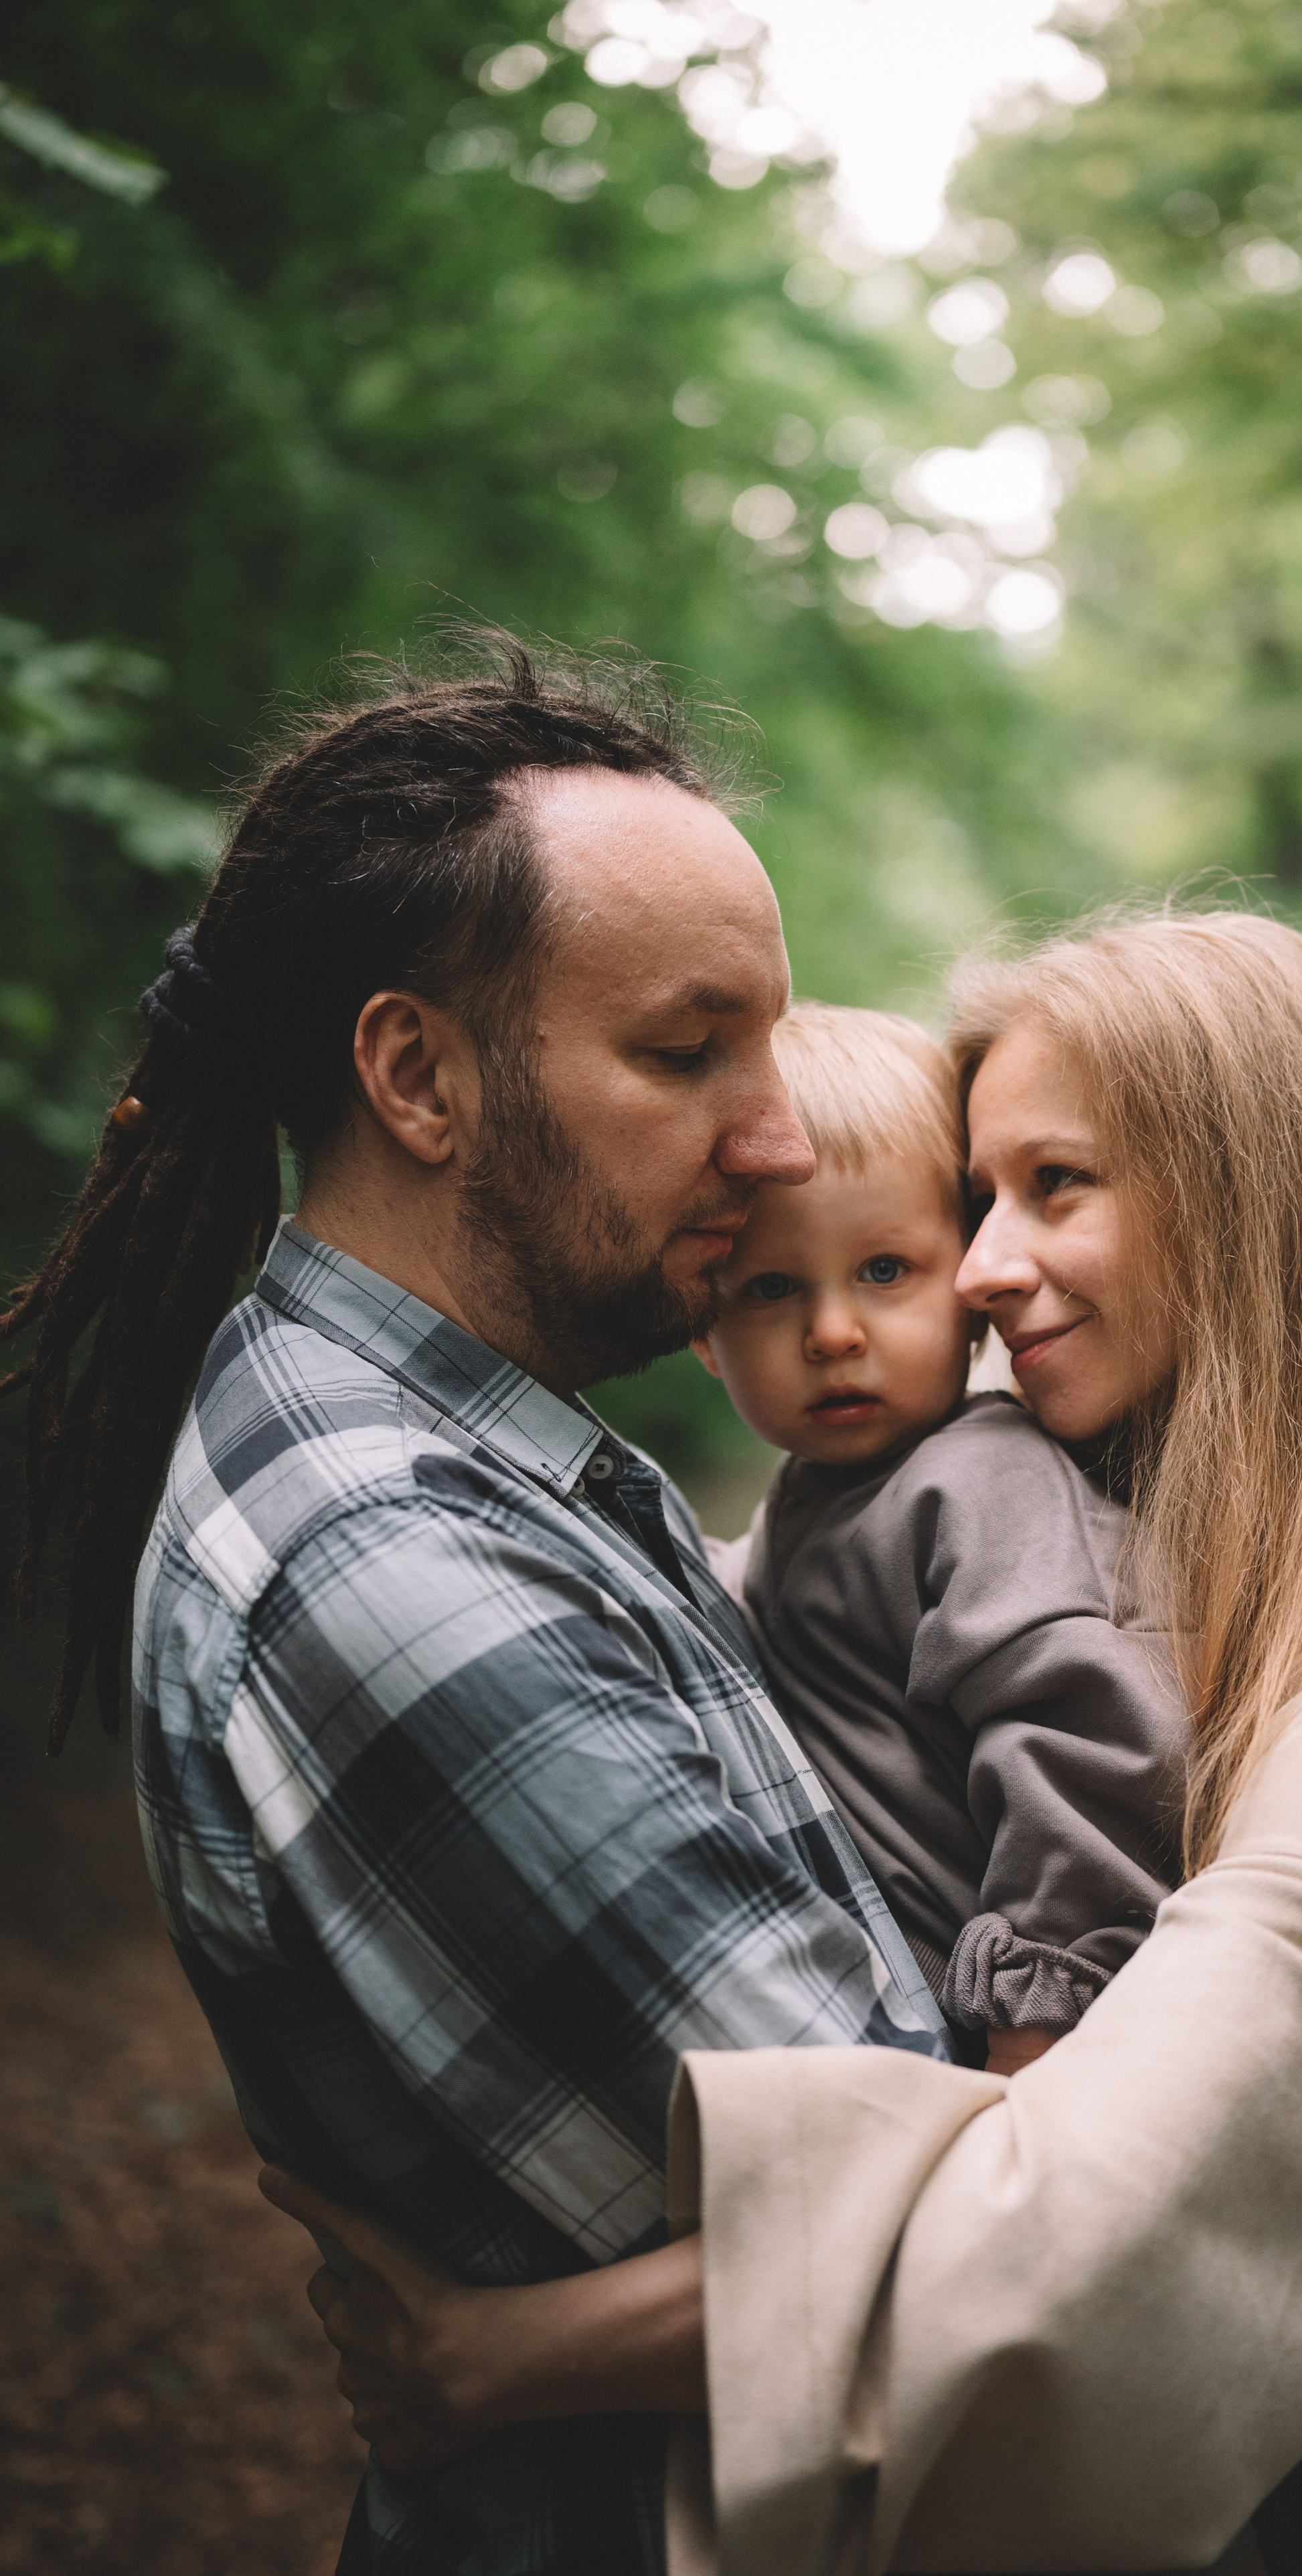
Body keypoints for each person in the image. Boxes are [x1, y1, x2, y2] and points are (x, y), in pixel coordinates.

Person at [266, 907, 1302, 2576]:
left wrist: (504, 2358)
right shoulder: (1209, 1555)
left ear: (1254, 1199)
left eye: (1055, 1187)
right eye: (978, 1201)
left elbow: (1079, 2248)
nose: (973, 1269)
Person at [0, 636, 953, 2576]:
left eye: (769, 1048)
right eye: (688, 1054)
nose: (775, 1139)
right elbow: (962, 2221)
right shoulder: (383, 1554)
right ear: (418, 1075)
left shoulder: (496, 1458)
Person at [692, 999, 1190, 2077]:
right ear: (702, 1326)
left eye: (884, 1271)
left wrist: (1040, 2020)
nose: (833, 1334)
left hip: (1020, 2049)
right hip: (869, 2036)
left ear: (967, 1285)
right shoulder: (811, 1501)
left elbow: (1090, 1749)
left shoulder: (981, 1485)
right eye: (773, 1288)